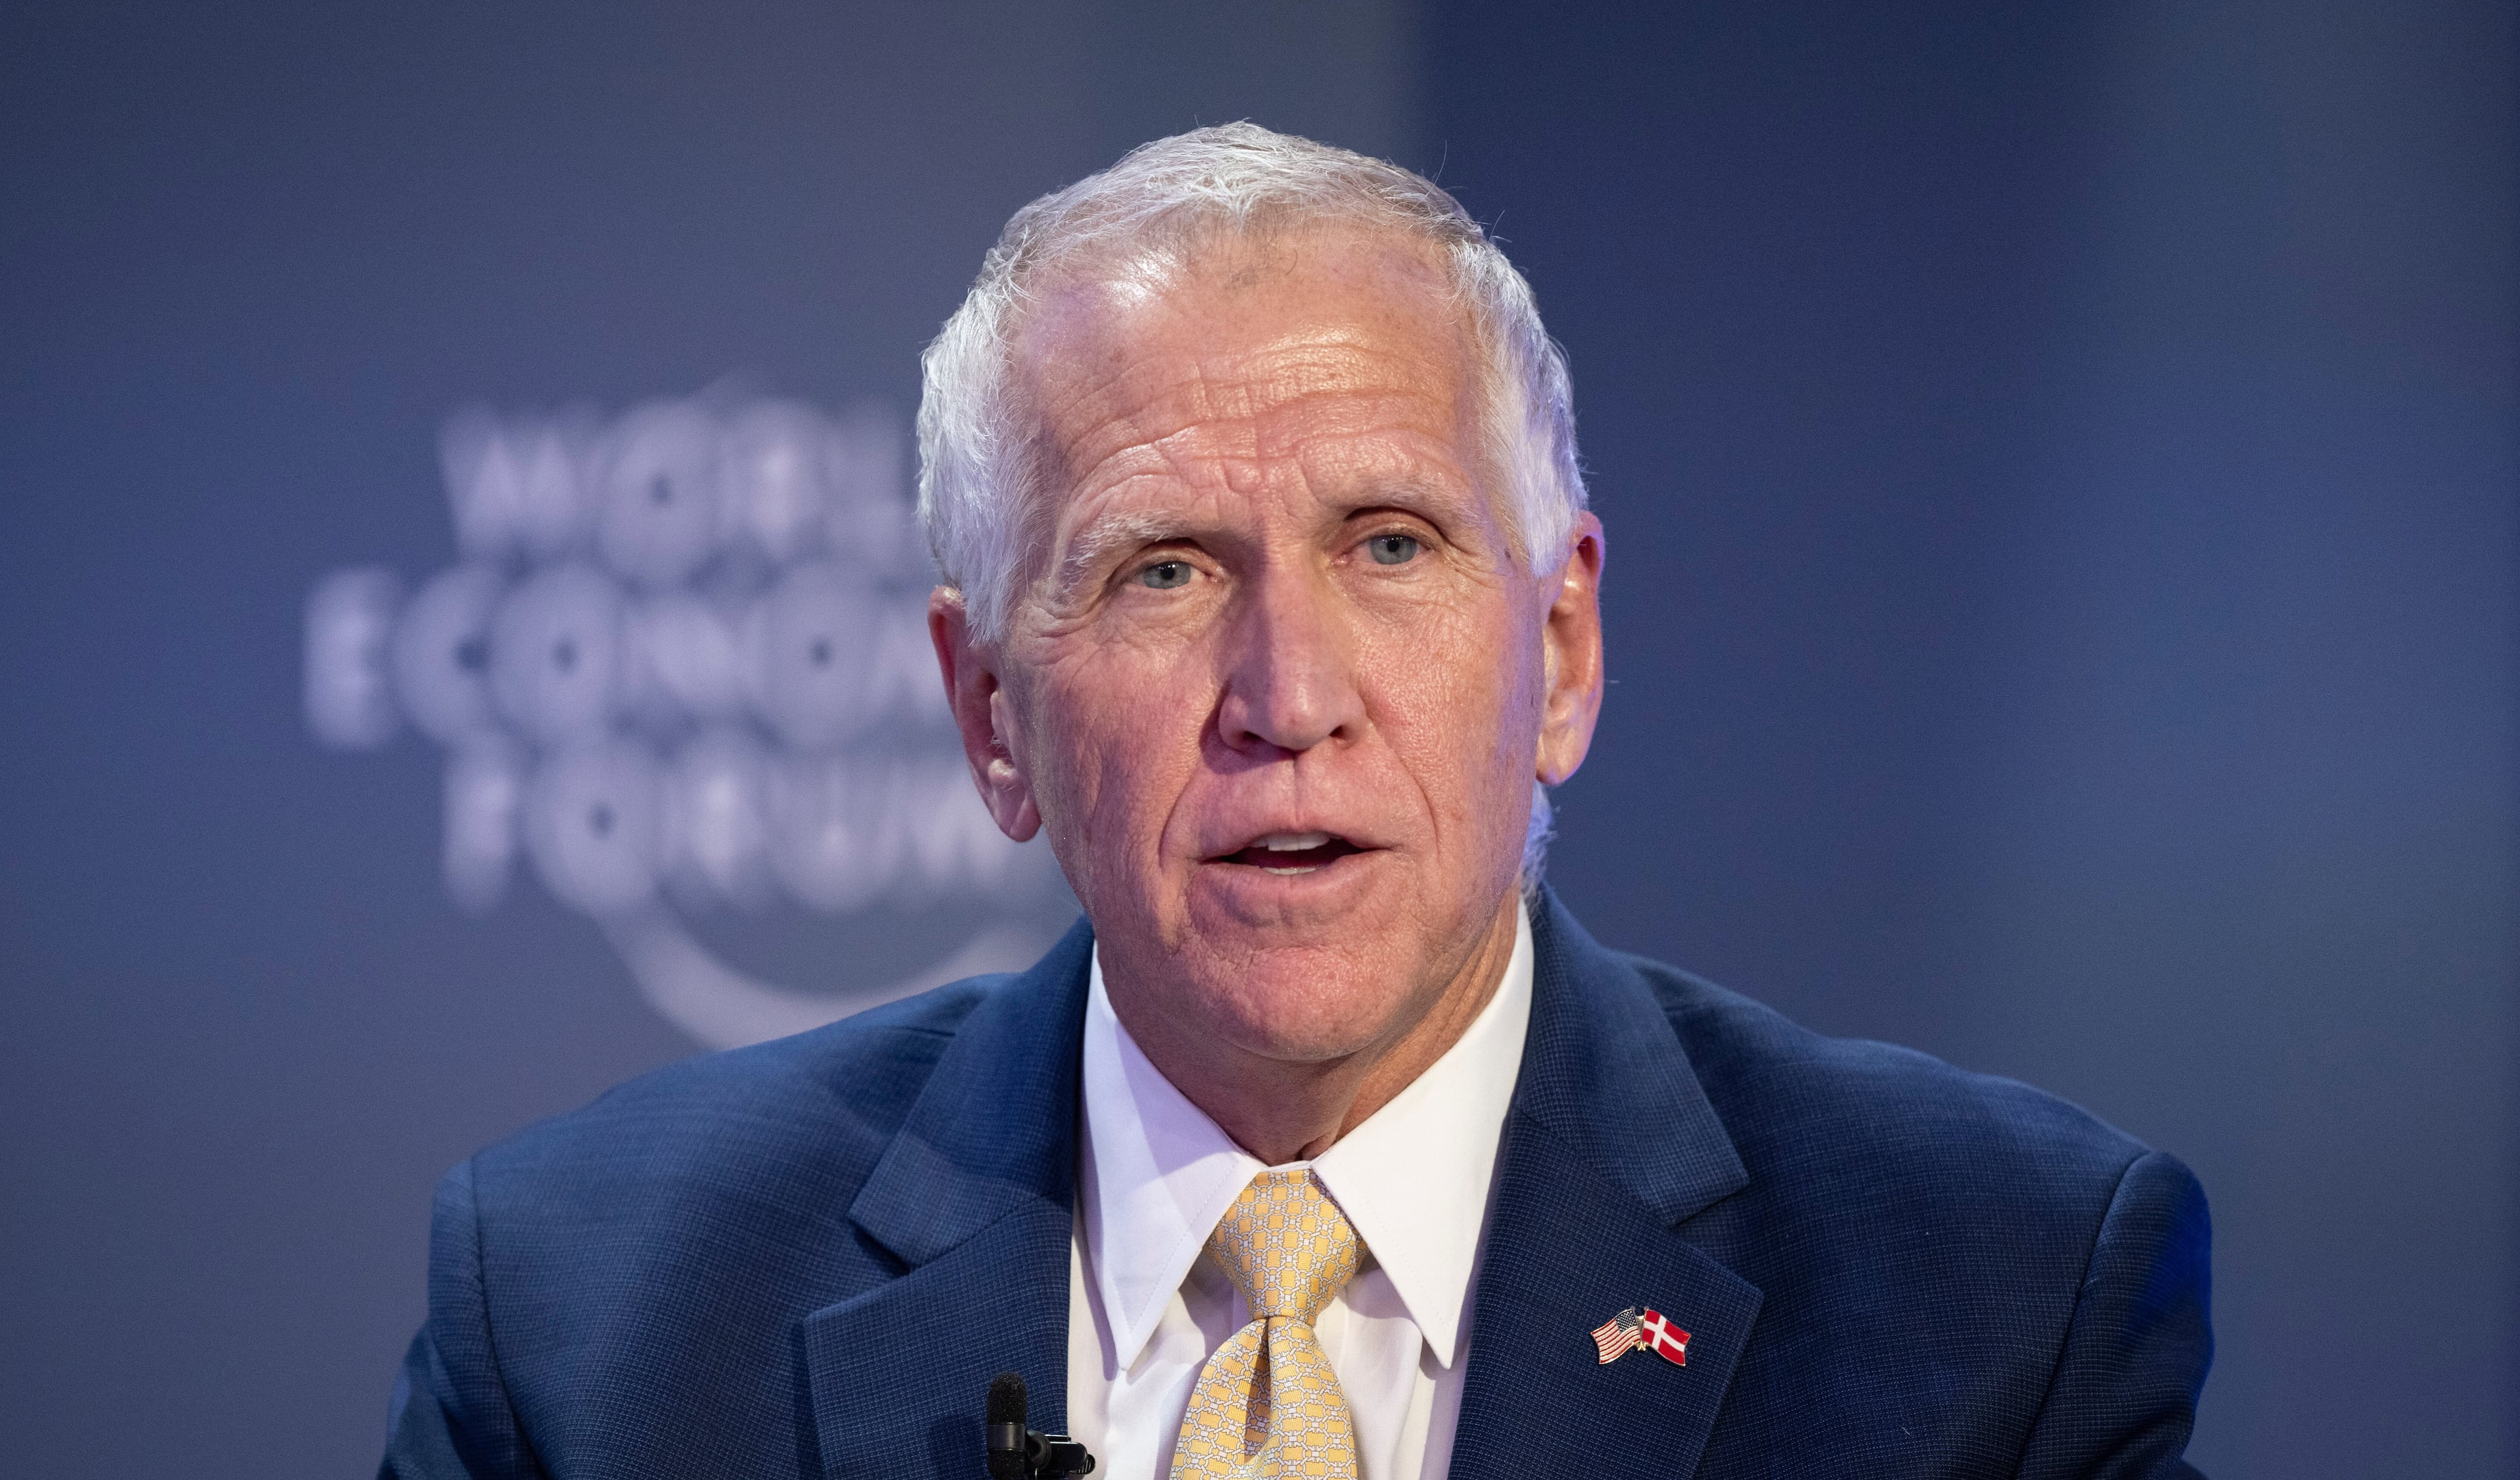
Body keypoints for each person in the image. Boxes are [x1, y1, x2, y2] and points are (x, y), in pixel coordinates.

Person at [379, 123, 2210, 1480]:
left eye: (1390, 544)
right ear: (992, 714)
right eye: (1162, 572)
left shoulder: (1993, 1306)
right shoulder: (585, 1328)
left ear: (1562, 648)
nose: (1288, 700)